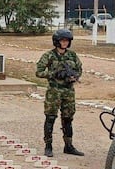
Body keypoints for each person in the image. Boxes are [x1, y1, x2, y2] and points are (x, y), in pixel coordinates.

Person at [35, 29, 84, 157]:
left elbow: (79, 69)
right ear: (57, 41)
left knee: (68, 119)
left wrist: (74, 76)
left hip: (68, 91)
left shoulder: (72, 56)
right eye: (62, 40)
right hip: (54, 91)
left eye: (67, 41)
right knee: (50, 117)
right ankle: (48, 146)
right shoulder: (49, 56)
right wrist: (54, 73)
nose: (65, 43)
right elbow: (39, 72)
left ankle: (69, 146)